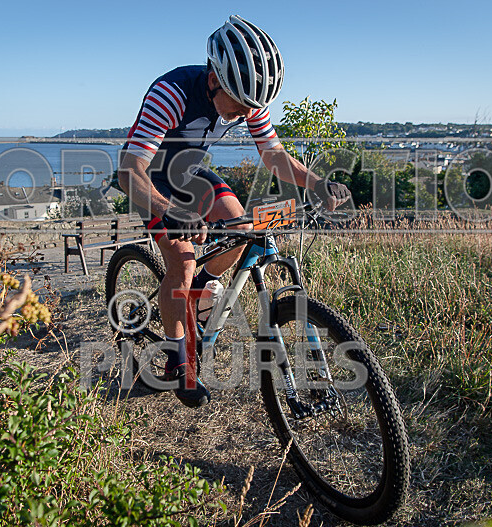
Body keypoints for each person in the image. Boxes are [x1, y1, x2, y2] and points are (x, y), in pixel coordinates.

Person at [117, 15, 350, 408]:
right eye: (240, 107)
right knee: (183, 262)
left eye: (252, 108)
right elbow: (129, 170)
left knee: (242, 228)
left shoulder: (249, 99)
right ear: (214, 81)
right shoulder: (170, 93)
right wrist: (168, 210)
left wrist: (318, 184)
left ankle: (197, 293)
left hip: (190, 172)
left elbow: (273, 154)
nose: (245, 116)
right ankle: (178, 359)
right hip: (152, 181)